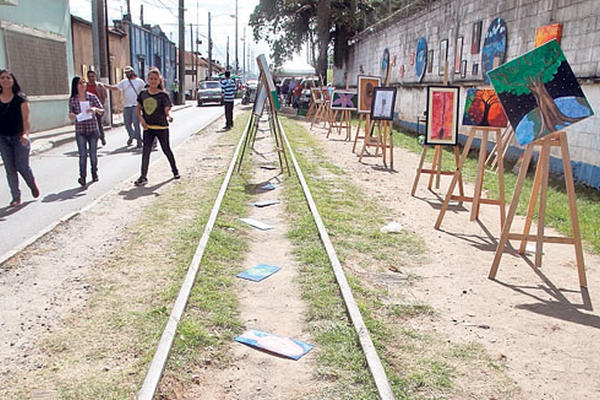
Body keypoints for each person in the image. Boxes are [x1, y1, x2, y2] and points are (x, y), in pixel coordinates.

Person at [0, 70, 40, 207]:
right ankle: (16, 197)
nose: (5, 80)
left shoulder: (20, 98)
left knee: (22, 166)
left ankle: (32, 184)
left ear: (13, 80)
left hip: (19, 137)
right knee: (10, 168)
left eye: (8, 78)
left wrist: (25, 133)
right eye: (2, 78)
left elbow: (26, 119)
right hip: (3, 138)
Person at [134, 67, 179, 186]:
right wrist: (141, 119)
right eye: (151, 78)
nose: (153, 81)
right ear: (147, 80)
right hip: (148, 128)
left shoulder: (163, 95)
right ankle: (143, 176)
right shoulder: (143, 94)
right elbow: (138, 109)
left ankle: (175, 171)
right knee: (146, 151)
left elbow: (167, 110)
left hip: (161, 127)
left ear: (159, 80)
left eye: (155, 79)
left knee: (166, 149)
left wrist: (169, 116)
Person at [68, 76, 104, 186]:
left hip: (92, 129)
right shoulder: (73, 99)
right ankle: (82, 177)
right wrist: (72, 116)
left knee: (93, 154)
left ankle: (94, 173)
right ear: (75, 86)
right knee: (82, 154)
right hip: (80, 130)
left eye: (84, 83)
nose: (83, 85)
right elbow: (70, 114)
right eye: (80, 83)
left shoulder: (92, 97)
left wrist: (94, 109)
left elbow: (102, 110)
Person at [103, 66, 144, 148]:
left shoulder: (140, 82)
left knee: (136, 124)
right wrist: (105, 85)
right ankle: (132, 136)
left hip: (136, 106)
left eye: (129, 72)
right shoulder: (124, 82)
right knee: (127, 124)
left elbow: (144, 92)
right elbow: (115, 88)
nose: (127, 74)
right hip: (127, 106)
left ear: (132, 71)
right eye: (126, 72)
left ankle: (139, 141)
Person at [85, 70, 108, 146]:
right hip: (88, 109)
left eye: (93, 76)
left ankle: (102, 137)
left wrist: (100, 105)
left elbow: (104, 96)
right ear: (87, 77)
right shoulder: (85, 86)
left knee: (98, 123)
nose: (91, 78)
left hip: (97, 108)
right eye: (90, 76)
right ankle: (92, 140)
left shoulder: (99, 86)